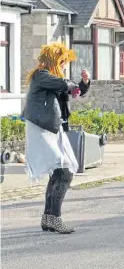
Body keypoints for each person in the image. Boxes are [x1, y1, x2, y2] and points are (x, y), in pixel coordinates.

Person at [22, 42, 81, 234]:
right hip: (42, 128)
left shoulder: (49, 78)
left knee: (60, 171)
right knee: (63, 171)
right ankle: (54, 218)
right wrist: (72, 85)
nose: (64, 66)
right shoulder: (42, 76)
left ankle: (48, 218)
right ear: (54, 60)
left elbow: (69, 90)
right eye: (63, 62)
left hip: (51, 127)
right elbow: (64, 85)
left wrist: (84, 84)